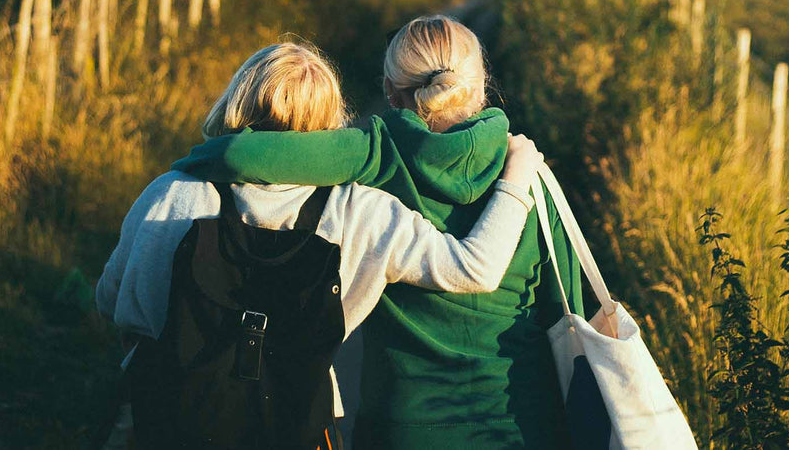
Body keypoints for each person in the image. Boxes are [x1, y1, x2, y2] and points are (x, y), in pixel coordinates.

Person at [96, 42, 547, 449]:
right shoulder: (361, 211)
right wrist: (516, 178)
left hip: (173, 422)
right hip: (299, 425)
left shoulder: (172, 193)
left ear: (237, 99)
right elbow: (474, 268)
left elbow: (114, 298)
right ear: (332, 123)